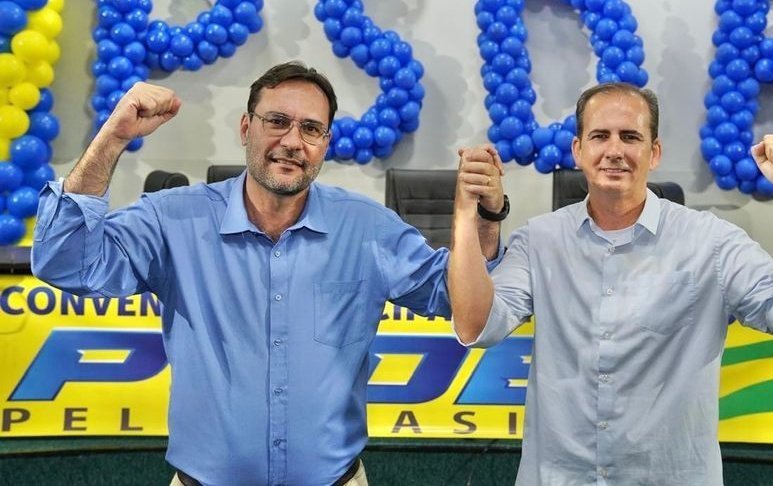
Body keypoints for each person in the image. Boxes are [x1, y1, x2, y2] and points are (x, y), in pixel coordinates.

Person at [30, 61, 507, 486]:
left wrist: (485, 217)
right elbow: (63, 262)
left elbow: (460, 297)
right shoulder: (173, 219)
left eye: (311, 129)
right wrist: (112, 138)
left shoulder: (367, 228)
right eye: (277, 121)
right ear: (246, 127)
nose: (292, 142)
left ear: (325, 144)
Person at [449, 82, 773, 485]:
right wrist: (467, 212)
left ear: (654, 153)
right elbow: (476, 327)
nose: (614, 150)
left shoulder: (712, 242)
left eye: (630, 137)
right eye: (600, 136)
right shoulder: (539, 240)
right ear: (578, 150)